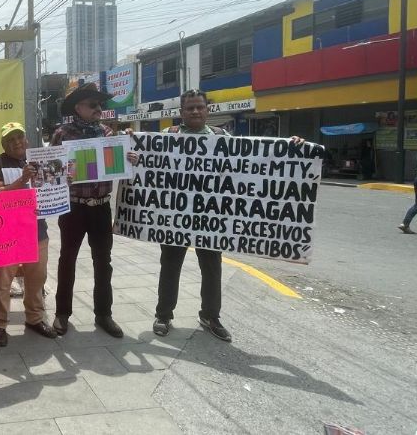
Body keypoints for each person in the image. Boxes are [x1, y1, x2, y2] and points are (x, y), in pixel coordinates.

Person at [151, 89, 305, 342]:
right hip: (176, 215)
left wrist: (290, 148)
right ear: (181, 112)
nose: (195, 111)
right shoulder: (167, 137)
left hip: (212, 216)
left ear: (207, 110)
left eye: (200, 107)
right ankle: (164, 315)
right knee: (170, 266)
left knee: (212, 267)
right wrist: (135, 153)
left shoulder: (222, 137)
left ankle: (211, 316)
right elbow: (146, 161)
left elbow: (255, 160)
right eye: (190, 108)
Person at [50, 83, 131, 338]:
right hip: (73, 208)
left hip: (101, 208)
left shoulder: (109, 134)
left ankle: (104, 314)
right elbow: (51, 170)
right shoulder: (62, 134)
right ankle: (62, 313)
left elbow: (124, 165)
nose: (99, 109)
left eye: (100, 105)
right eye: (93, 104)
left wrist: (131, 157)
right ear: (78, 107)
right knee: (67, 260)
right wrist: (62, 174)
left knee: (103, 262)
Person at [0, 122, 56, 346]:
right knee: (3, 283)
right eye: (10, 140)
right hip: (8, 232)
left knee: (37, 279)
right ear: (4, 144)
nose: (16, 142)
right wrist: (21, 180)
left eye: (19, 138)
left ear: (26, 140)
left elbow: (51, 188)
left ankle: (35, 319)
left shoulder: (39, 159)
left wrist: (63, 183)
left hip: (37, 231)